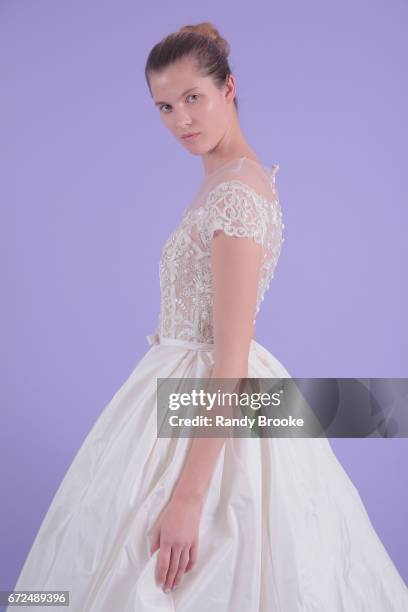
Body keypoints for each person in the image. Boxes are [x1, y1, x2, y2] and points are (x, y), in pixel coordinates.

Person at [8, 21, 408, 612]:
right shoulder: (227, 180)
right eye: (164, 106)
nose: (179, 120)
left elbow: (230, 362)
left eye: (193, 98)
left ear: (229, 88)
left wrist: (189, 497)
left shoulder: (235, 195)